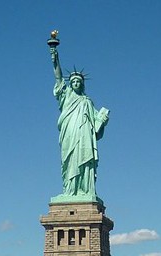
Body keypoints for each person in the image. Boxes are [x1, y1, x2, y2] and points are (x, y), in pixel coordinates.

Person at [50, 44, 109, 199]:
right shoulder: (66, 95)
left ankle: (85, 190)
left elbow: (97, 124)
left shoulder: (87, 101)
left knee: (84, 161)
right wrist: (55, 58)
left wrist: (102, 119)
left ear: (82, 84)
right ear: (70, 84)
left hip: (84, 136)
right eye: (73, 81)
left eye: (78, 81)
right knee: (69, 161)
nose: (76, 83)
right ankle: (70, 190)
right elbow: (58, 77)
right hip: (69, 132)